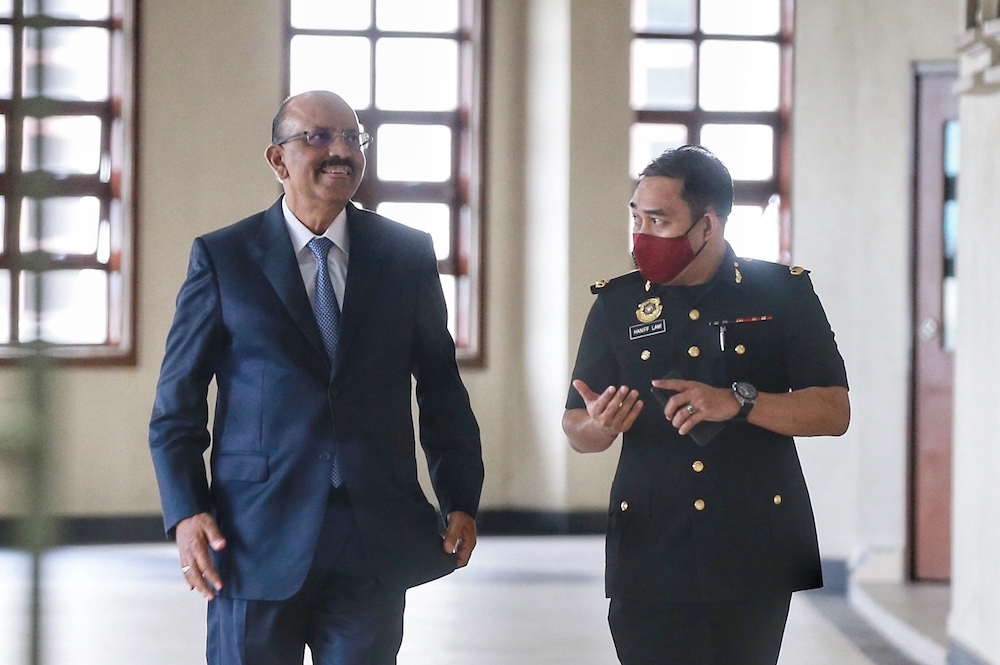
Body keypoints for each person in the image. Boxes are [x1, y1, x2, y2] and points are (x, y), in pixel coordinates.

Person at [148, 90, 484, 665]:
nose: (341, 152)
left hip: (371, 533)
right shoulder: (225, 257)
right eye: (319, 137)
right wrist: (185, 509)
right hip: (254, 534)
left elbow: (440, 386)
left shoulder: (405, 255)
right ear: (278, 161)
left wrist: (460, 495)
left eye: (353, 139)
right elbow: (177, 402)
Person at [562, 145, 850, 665]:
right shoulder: (618, 303)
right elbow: (575, 422)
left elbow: (833, 411)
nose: (642, 234)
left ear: (707, 225)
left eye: (659, 219)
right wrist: (599, 428)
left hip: (752, 546)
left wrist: (739, 402)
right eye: (637, 217)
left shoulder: (782, 295)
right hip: (649, 545)